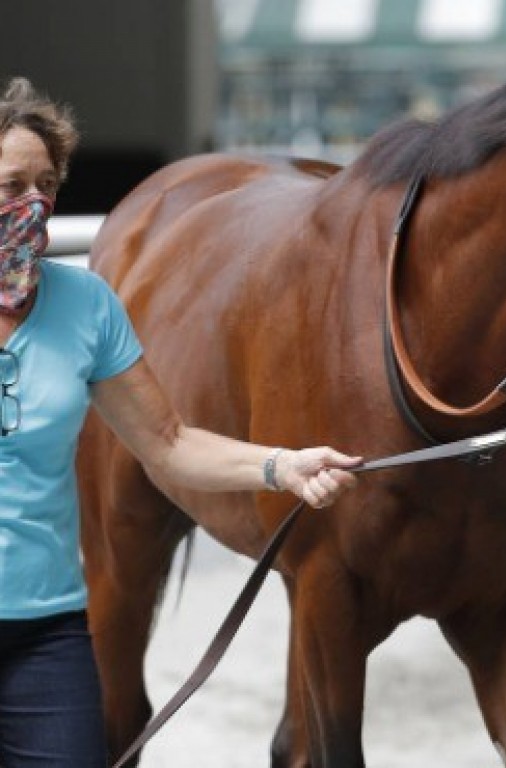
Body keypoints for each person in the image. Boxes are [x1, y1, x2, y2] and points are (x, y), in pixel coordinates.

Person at [0, 77, 362, 766]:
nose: (33, 205)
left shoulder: (86, 306)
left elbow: (167, 444)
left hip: (47, 639)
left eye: (46, 184)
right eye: (11, 186)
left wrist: (281, 465)